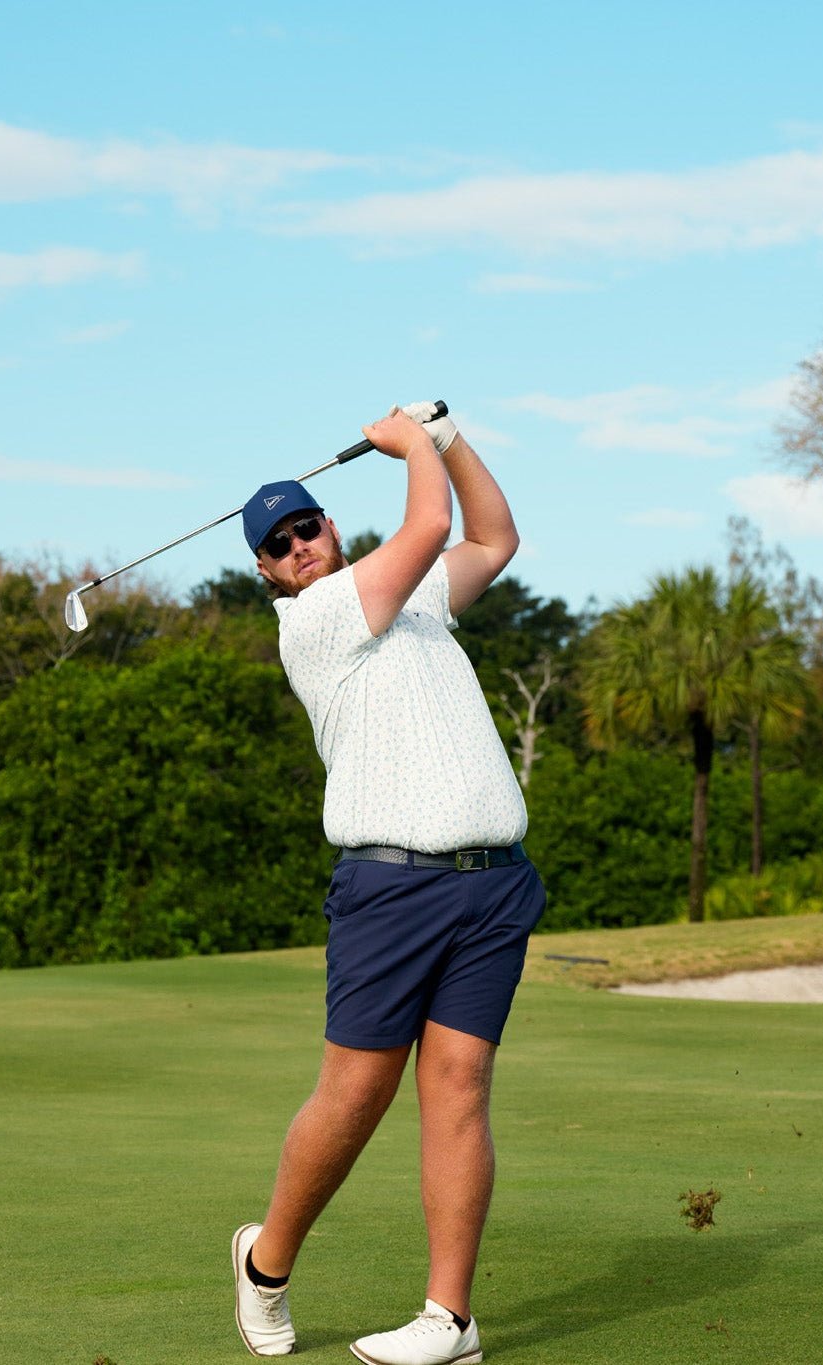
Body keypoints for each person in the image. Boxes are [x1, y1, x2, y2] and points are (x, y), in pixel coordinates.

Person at [230, 402, 547, 1364]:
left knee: (458, 1089)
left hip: (492, 883)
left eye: (307, 525)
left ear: (331, 524)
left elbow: (494, 535)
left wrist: (446, 440)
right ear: (268, 571)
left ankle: (449, 1320)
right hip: (390, 888)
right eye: (279, 544)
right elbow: (431, 526)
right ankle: (265, 1264)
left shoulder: (408, 601)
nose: (298, 545)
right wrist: (410, 444)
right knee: (354, 1096)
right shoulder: (318, 618)